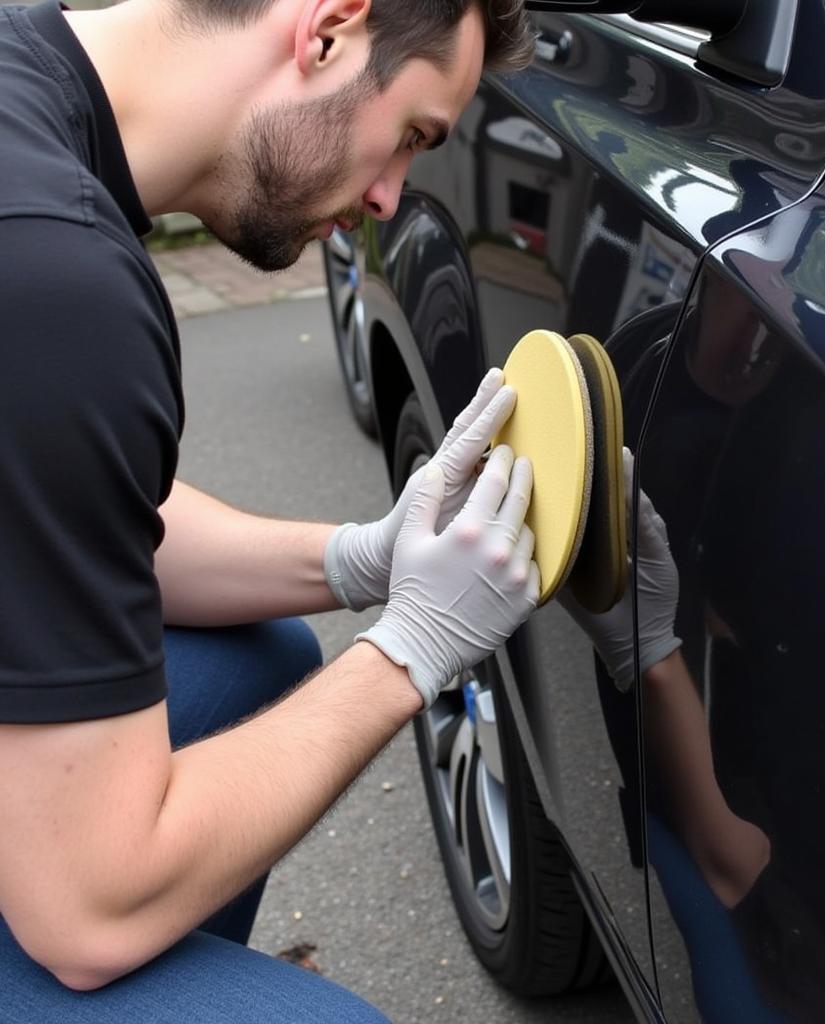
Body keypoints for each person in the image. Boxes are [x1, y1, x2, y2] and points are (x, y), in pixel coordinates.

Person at [0, 0, 536, 1020]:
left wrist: (364, 560)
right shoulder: (52, 283)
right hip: (79, 901)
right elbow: (87, 914)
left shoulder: (25, 79)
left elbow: (78, 522)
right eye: (411, 136)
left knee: (261, 655)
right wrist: (411, 650)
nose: (389, 197)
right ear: (327, 28)